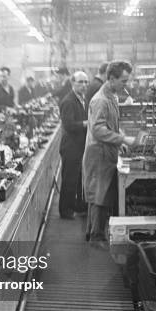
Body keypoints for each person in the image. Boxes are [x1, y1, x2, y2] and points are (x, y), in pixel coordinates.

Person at [82, 61, 139, 248]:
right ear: (112, 78)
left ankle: (92, 233)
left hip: (106, 151)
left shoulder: (112, 96)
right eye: (123, 80)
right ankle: (97, 238)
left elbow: (111, 125)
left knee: (99, 194)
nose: (126, 84)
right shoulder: (101, 100)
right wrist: (124, 140)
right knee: (99, 196)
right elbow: (98, 130)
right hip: (98, 154)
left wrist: (119, 139)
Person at [59, 71, 89, 220]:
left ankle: (76, 204)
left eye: (85, 82)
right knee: (69, 179)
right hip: (71, 147)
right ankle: (65, 210)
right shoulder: (69, 101)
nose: (84, 85)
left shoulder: (80, 99)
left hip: (78, 145)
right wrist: (86, 123)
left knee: (77, 178)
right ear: (72, 84)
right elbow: (68, 125)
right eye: (80, 82)